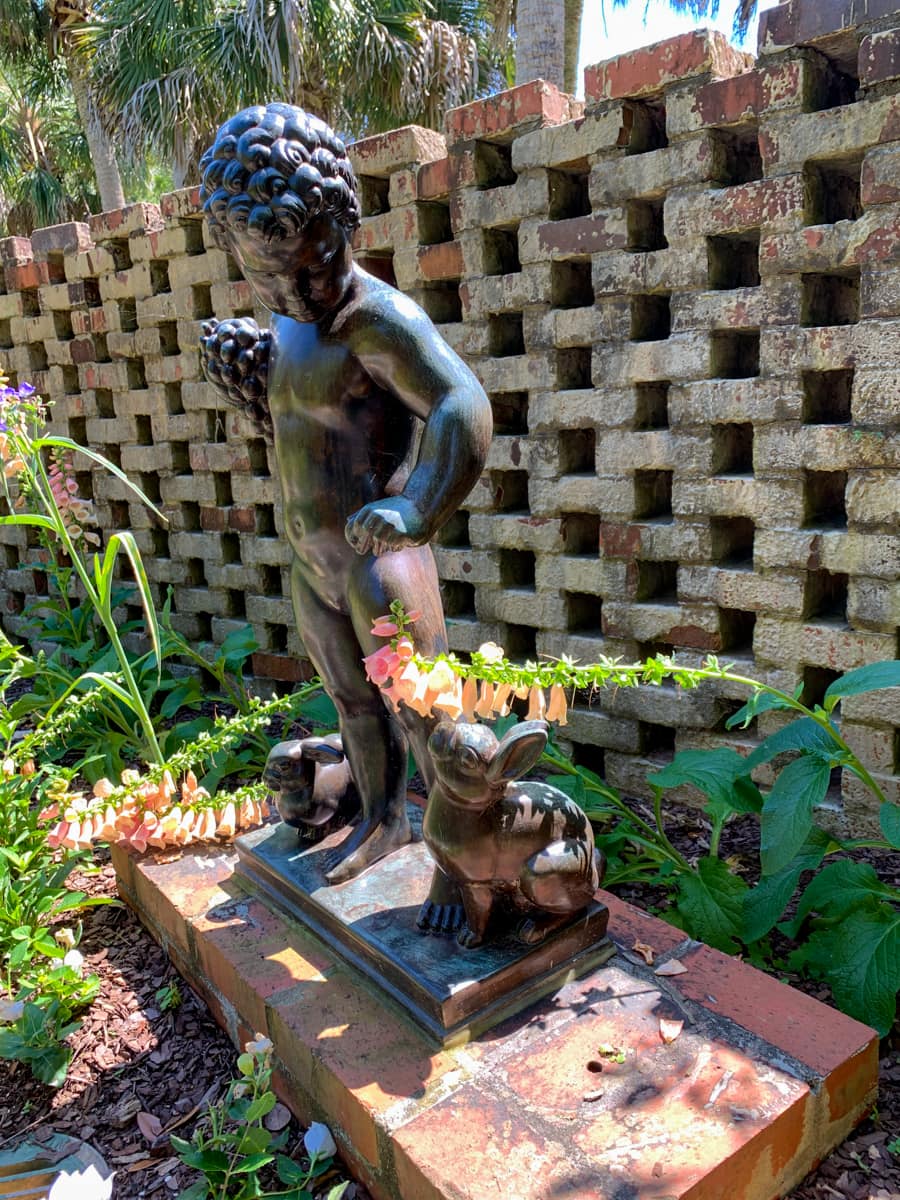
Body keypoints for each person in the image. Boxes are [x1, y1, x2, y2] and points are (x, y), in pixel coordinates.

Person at [198, 104, 492, 886]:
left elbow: (463, 403)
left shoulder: (376, 319)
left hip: (378, 561)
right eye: (273, 274)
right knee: (352, 703)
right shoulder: (289, 322)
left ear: (344, 223)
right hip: (313, 563)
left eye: (316, 264)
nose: (299, 289)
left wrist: (419, 506)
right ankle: (384, 818)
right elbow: (306, 427)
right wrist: (252, 379)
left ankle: (470, 859)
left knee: (426, 714)